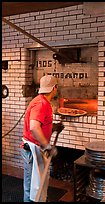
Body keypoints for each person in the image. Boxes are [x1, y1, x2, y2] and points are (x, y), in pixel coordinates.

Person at [20, 74, 64, 202]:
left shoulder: (40, 101)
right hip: (32, 151)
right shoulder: (42, 104)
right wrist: (47, 146)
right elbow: (34, 127)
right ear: (54, 88)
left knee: (36, 186)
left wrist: (53, 127)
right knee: (31, 188)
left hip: (34, 148)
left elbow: (40, 124)